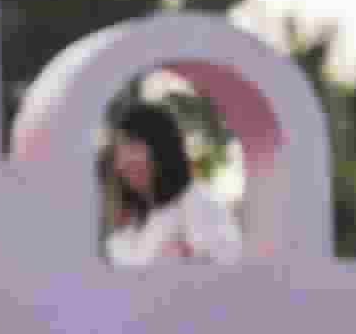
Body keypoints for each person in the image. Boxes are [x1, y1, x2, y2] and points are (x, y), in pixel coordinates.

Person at [99, 101, 246, 267]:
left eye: (133, 147)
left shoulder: (201, 204)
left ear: (162, 147)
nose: (123, 163)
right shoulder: (128, 226)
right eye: (119, 152)